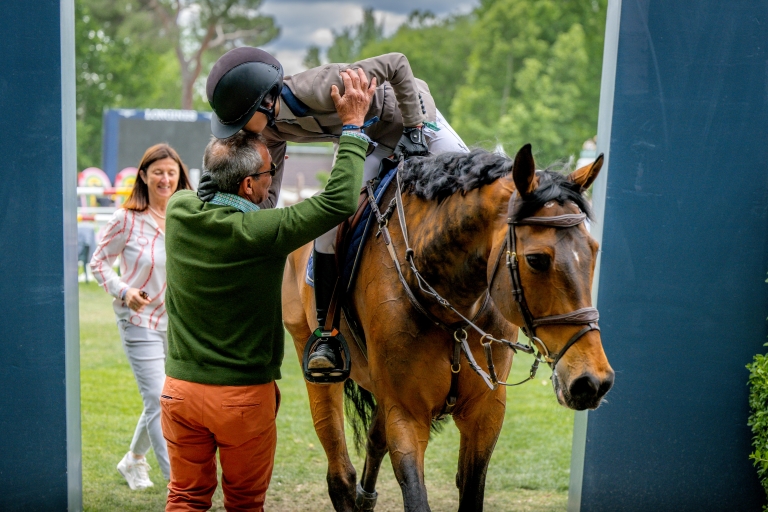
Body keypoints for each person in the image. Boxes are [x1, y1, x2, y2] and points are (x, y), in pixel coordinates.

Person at [161, 67, 374, 511]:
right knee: (244, 503)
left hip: (179, 392)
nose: (272, 175)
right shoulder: (262, 231)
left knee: (184, 498)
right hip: (241, 399)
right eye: (268, 172)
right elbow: (338, 201)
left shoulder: (179, 211)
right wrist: (353, 127)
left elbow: (206, 186)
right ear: (248, 185)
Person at [200, 46, 469, 376]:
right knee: (328, 230)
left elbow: (398, 63)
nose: (239, 131)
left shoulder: (321, 85)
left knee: (472, 184)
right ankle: (327, 335)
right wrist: (225, 198)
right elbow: (266, 201)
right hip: (366, 138)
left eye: (240, 121)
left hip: (411, 114)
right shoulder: (270, 130)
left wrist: (414, 129)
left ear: (265, 102)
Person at [89, 143, 192, 490]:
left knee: (162, 399)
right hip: (139, 322)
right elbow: (98, 263)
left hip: (177, 324)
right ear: (144, 176)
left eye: (171, 173)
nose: (165, 179)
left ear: (179, 177)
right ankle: (179, 486)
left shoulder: (185, 216)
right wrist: (124, 291)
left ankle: (133, 460)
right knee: (162, 402)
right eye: (158, 172)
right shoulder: (126, 219)